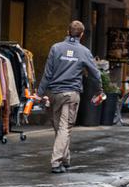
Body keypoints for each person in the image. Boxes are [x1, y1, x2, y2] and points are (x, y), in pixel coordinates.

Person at [36, 20, 102, 174]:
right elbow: (95, 73)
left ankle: (65, 159)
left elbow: (47, 73)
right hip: (71, 94)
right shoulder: (84, 51)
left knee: (59, 129)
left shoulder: (55, 48)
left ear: (67, 32)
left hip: (54, 94)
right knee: (64, 128)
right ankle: (56, 162)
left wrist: (39, 93)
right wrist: (100, 90)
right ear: (82, 34)